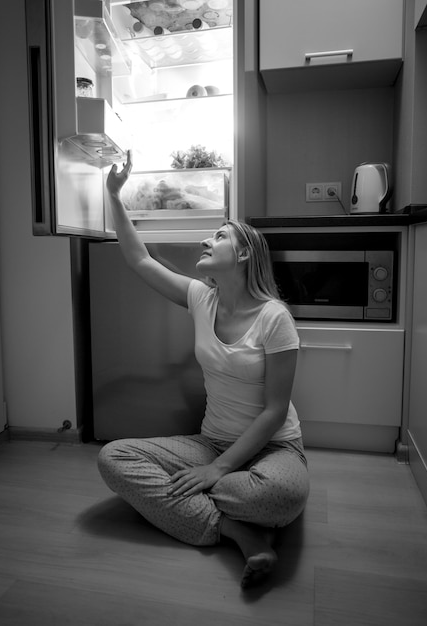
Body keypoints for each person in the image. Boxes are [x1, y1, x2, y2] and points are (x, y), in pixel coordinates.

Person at [97, 151, 310, 589]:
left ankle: (213, 513)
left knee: (282, 495)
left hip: (274, 449)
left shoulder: (275, 318)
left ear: (245, 252)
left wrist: (218, 471)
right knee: (112, 457)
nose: (205, 242)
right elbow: (140, 261)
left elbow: (274, 411)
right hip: (210, 441)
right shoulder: (202, 298)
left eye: (218, 236)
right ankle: (237, 529)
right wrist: (114, 196)